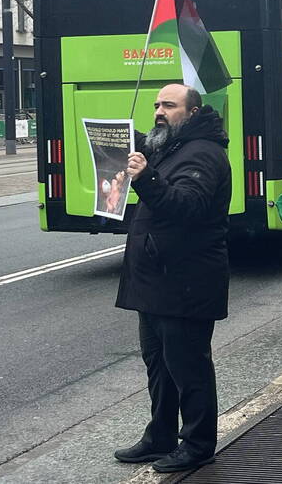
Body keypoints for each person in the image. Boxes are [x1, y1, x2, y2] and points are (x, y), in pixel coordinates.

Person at [114, 83, 231, 474]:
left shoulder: (204, 154)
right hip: (157, 280)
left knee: (187, 367)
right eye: (157, 105)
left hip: (185, 280)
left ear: (193, 113)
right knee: (159, 366)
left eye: (169, 105)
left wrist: (146, 178)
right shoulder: (171, 147)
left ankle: (197, 444)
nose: (159, 112)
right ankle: (159, 436)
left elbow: (189, 207)